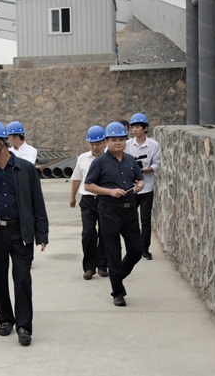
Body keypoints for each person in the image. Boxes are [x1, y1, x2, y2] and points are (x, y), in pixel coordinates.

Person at [0, 121, 49, 346]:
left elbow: (37, 202)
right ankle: (5, 319)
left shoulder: (26, 170)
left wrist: (42, 233)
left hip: (21, 232)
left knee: (22, 279)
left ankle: (24, 326)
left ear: (0, 143)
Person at [84, 122, 144, 307]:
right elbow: (88, 185)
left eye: (121, 139)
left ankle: (117, 276)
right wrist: (109, 192)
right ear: (107, 141)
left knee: (136, 251)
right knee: (113, 252)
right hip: (109, 210)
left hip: (130, 210)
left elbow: (139, 178)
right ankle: (118, 292)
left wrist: (140, 185)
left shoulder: (130, 160)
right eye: (113, 140)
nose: (118, 143)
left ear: (126, 140)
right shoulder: (100, 162)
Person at [69, 125, 108, 280]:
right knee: (88, 233)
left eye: (98, 144)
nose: (95, 147)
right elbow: (76, 178)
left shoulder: (110, 158)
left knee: (105, 232)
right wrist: (72, 196)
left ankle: (103, 265)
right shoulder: (83, 158)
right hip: (88, 201)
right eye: (92, 144)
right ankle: (89, 267)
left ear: (104, 142)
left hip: (106, 200)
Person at [125, 113, 162, 260]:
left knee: (146, 221)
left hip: (147, 188)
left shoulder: (153, 145)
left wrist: (144, 171)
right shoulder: (128, 145)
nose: (135, 129)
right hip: (132, 189)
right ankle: (133, 248)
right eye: (133, 127)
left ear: (145, 128)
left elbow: (156, 164)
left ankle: (144, 249)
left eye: (138, 126)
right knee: (130, 220)